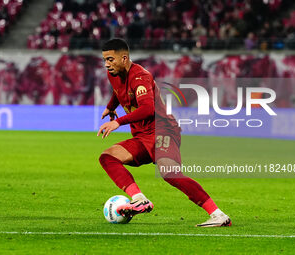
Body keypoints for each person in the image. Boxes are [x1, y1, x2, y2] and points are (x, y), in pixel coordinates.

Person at [97, 38, 231, 227]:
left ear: (124, 58)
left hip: (162, 131)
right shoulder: (114, 74)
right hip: (142, 136)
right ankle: (139, 198)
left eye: (110, 59)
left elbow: (147, 109)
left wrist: (118, 122)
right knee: (107, 157)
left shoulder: (140, 77)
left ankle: (219, 215)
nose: (106, 64)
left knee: (170, 173)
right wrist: (111, 107)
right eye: (104, 60)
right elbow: (119, 91)